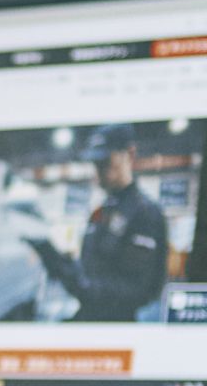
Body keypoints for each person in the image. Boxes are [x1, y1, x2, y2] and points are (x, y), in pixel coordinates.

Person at [27, 125, 172, 322]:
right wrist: (56, 259)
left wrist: (79, 283)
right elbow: (90, 267)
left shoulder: (145, 214)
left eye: (106, 161)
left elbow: (136, 290)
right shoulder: (102, 211)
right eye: (96, 163)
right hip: (90, 314)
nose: (99, 170)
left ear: (130, 154)